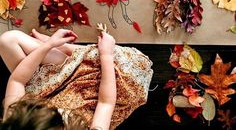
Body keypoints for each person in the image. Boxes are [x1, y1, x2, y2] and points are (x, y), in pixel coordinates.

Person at [0, 27, 153, 129]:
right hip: (93, 97)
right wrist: (106, 54)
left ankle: (64, 50)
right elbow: (105, 103)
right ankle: (69, 51)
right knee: (129, 67)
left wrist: (48, 45)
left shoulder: (16, 119)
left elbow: (17, 80)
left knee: (7, 40)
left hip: (50, 88)